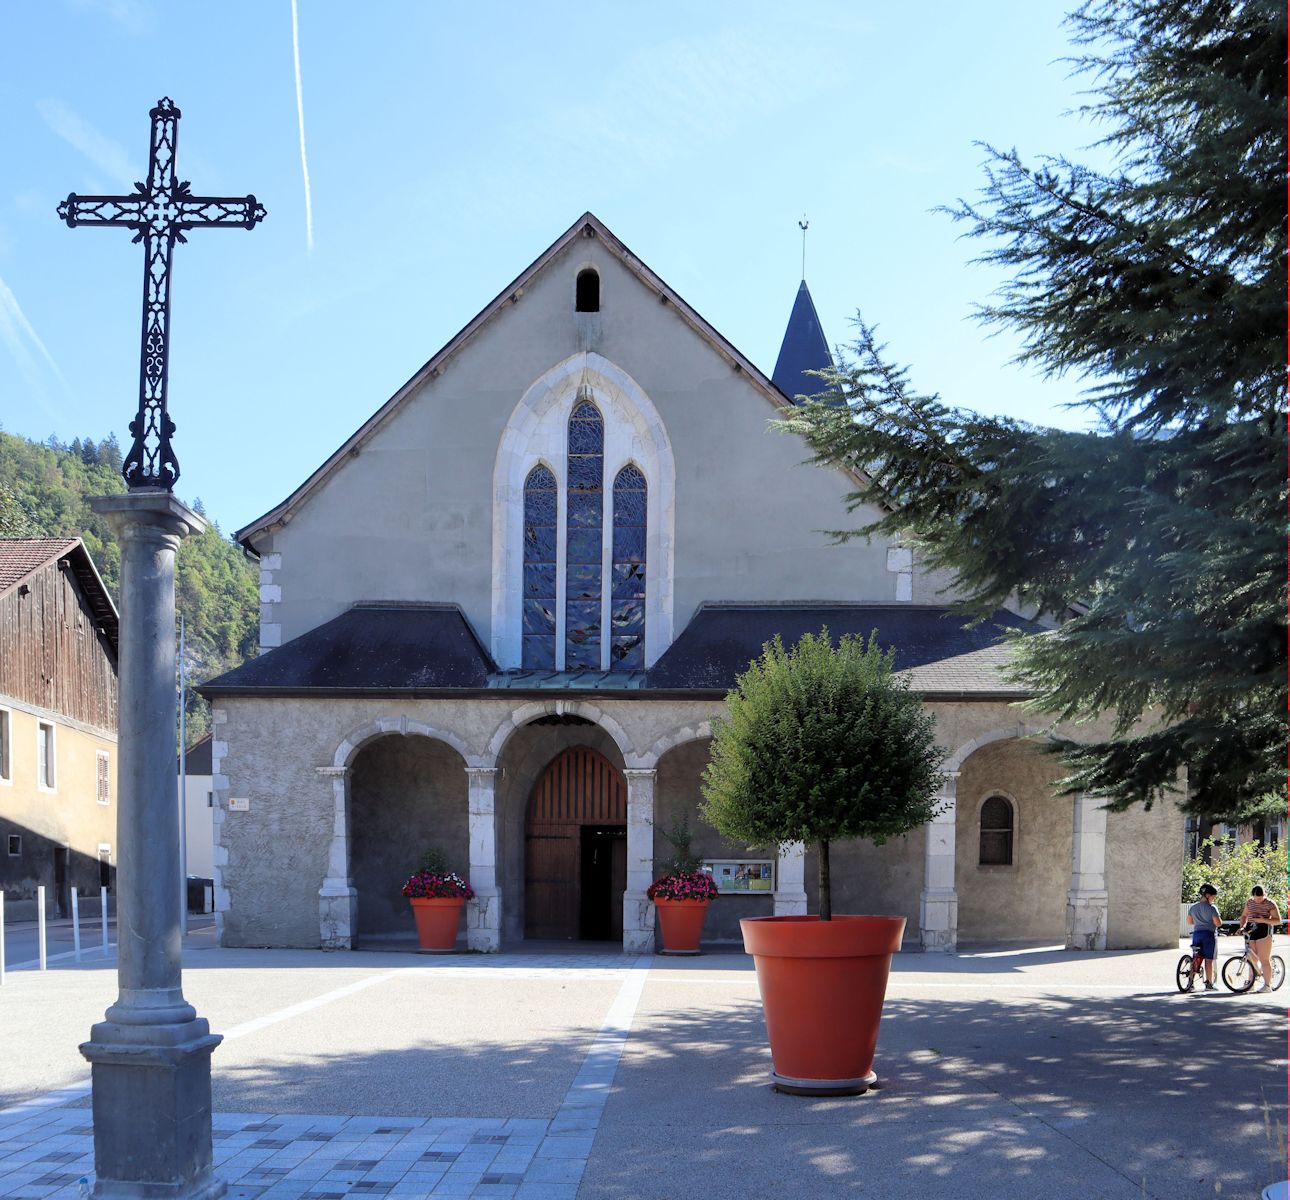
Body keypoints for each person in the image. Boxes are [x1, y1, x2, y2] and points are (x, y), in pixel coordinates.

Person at [1237, 885, 1282, 994]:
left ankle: (1267, 986)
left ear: (1264, 895)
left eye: (1260, 898)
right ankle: (1250, 983)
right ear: (1253, 896)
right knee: (1252, 959)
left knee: (1264, 959)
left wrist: (1263, 920)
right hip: (1252, 930)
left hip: (1264, 931)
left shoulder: (1270, 903)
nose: (1258, 901)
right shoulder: (1250, 902)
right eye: (1256, 898)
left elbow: (1278, 921)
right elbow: (1244, 916)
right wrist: (1242, 927)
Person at [1185, 884, 1222, 990]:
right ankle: (1209, 983)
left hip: (1197, 934)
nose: (1213, 899)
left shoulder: (1193, 907)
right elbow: (1218, 923)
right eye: (1213, 897)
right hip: (1209, 935)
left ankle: (1190, 983)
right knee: (1208, 960)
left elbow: (1189, 921)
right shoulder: (1212, 908)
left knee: (1196, 958)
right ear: (1207, 895)